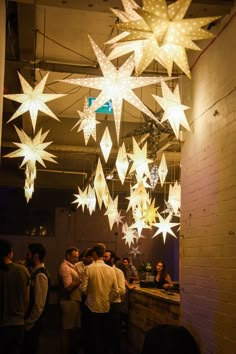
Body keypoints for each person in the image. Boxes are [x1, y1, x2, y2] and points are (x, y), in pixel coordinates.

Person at [80, 243, 119, 354]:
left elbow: (83, 289)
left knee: (91, 338)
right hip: (106, 308)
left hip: (90, 307)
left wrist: (90, 293)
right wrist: (108, 299)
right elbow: (116, 291)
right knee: (103, 338)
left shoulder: (88, 268)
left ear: (94, 254)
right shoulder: (111, 270)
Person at [0, 239, 30, 354]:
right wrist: (23, 316)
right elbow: (26, 300)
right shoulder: (22, 270)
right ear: (10, 252)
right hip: (17, 323)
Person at [21, 242, 50, 354]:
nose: (25, 257)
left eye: (28, 254)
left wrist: (28, 323)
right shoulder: (35, 272)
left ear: (36, 256)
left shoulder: (41, 275)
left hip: (33, 323)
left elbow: (39, 305)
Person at [58, 246, 82, 354]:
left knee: (71, 330)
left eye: (77, 257)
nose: (76, 259)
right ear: (68, 256)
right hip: (69, 301)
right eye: (74, 257)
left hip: (73, 301)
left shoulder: (71, 266)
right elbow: (68, 287)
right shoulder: (65, 267)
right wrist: (80, 280)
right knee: (67, 330)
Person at [104, 250, 126, 354]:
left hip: (114, 306)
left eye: (106, 257)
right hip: (103, 306)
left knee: (115, 334)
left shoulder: (118, 272)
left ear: (112, 259)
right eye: (103, 256)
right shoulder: (103, 271)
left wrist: (108, 299)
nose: (103, 259)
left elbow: (122, 290)